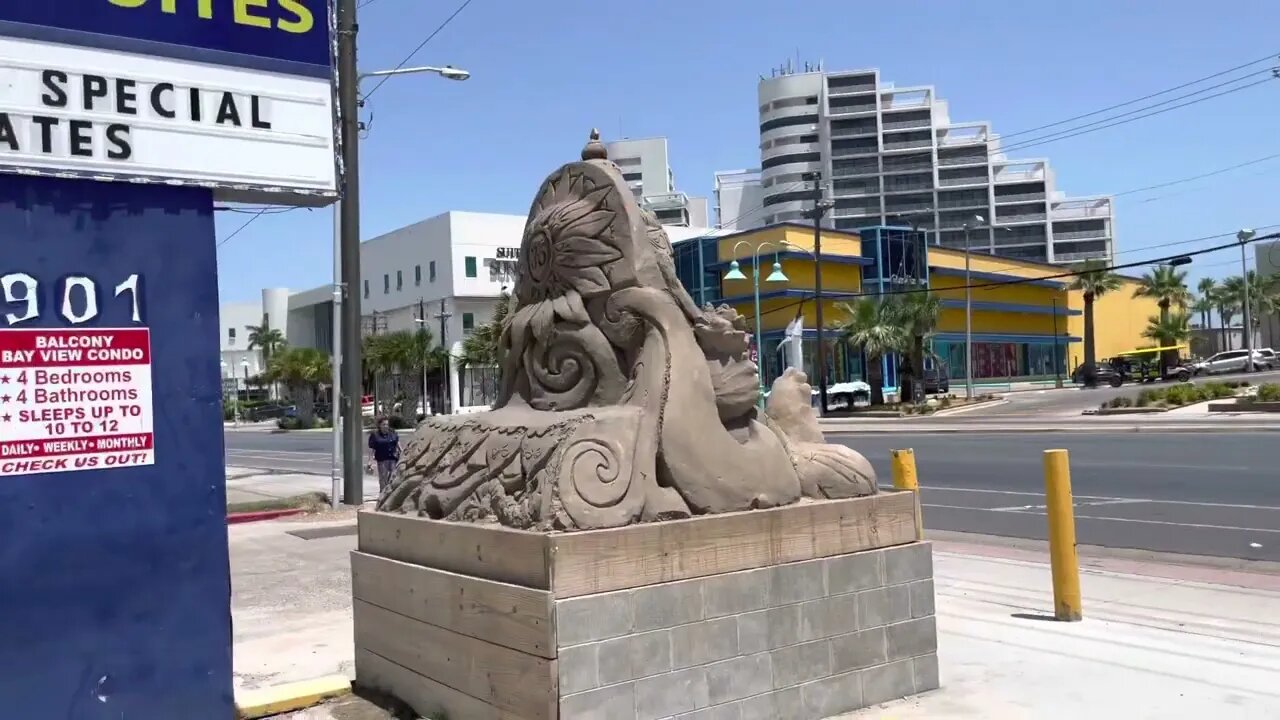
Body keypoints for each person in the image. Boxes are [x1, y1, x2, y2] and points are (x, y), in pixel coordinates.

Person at [367, 417, 400, 493]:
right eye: (384, 424)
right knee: (383, 478)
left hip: (393, 459)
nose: (386, 426)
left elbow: (398, 444)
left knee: (393, 477)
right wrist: (370, 461)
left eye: (387, 424)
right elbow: (372, 449)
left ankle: (391, 493)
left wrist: (402, 453)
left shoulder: (392, 433)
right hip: (382, 459)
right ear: (380, 425)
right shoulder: (375, 435)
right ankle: (383, 494)